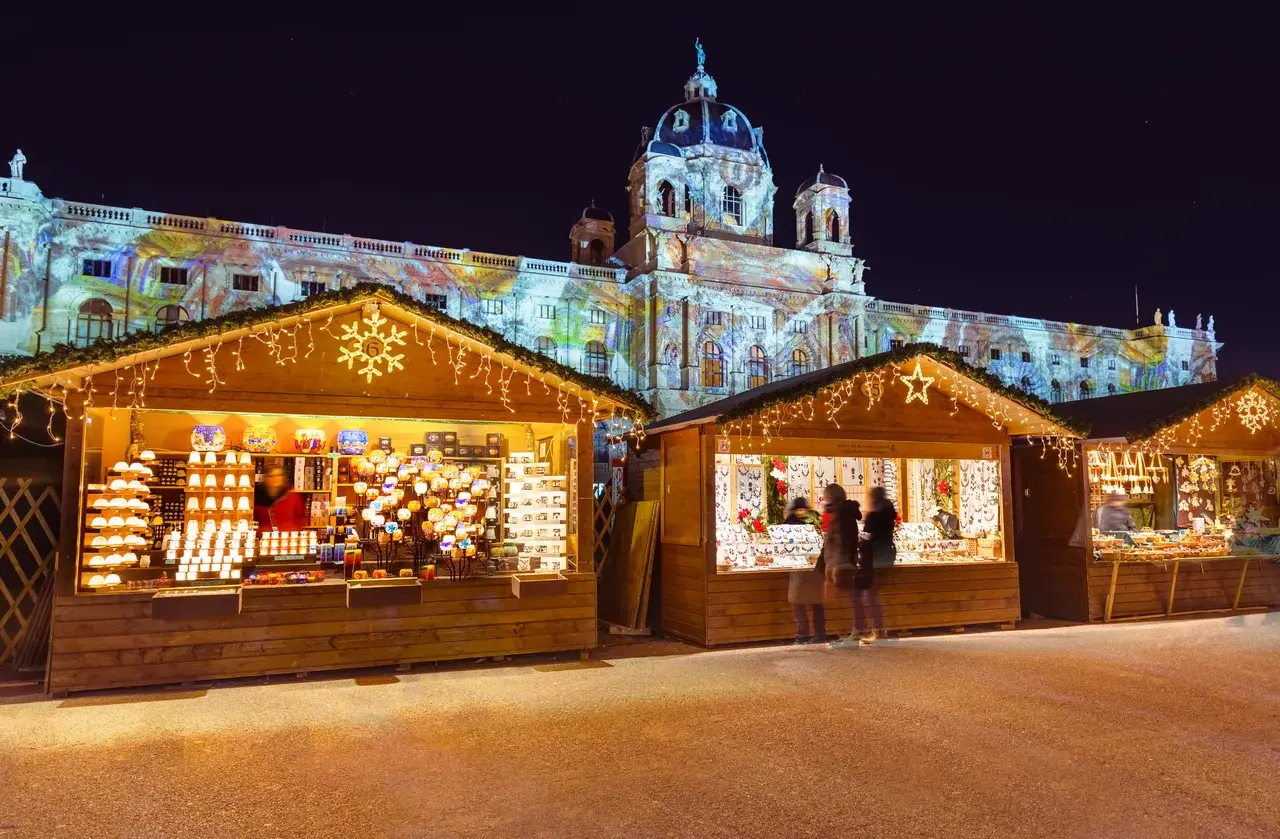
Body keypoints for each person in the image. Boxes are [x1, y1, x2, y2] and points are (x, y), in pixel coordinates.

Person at [844, 485, 896, 646]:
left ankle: (877, 630)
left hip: (874, 558)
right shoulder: (888, 512)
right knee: (873, 594)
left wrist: (863, 537)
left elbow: (872, 535)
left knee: (871, 595)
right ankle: (878, 629)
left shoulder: (876, 514)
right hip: (884, 556)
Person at [820, 484, 868, 650]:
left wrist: (833, 565)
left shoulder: (839, 515)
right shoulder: (848, 513)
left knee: (846, 599)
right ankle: (855, 631)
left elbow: (838, 542)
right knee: (852, 599)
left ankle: (852, 633)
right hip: (847, 563)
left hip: (840, 564)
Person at [784, 498, 825, 644]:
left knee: (814, 603)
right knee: (799, 602)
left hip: (813, 569)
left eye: (803, 509)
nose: (801, 512)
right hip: (800, 569)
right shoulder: (789, 523)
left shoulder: (815, 521)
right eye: (799, 509)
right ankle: (803, 635)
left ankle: (817, 635)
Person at [254, 463, 308, 532]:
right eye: (271, 476)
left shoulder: (294, 497)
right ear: (265, 478)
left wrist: (292, 529)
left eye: (278, 475)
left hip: (287, 539)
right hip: (264, 539)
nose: (275, 478)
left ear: (283, 477)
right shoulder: (257, 498)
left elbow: (301, 519)